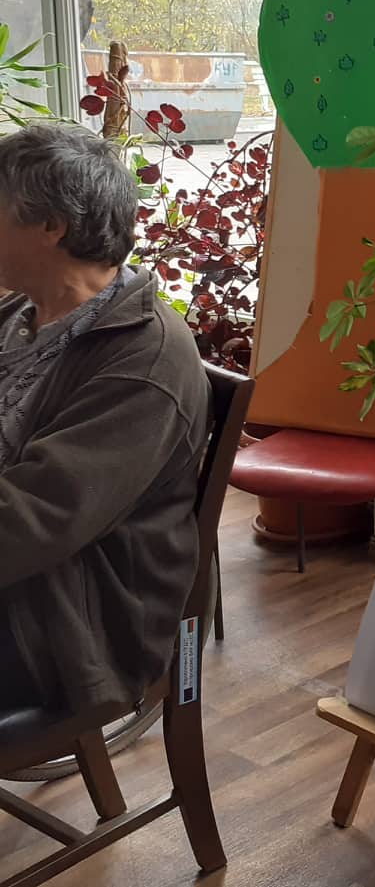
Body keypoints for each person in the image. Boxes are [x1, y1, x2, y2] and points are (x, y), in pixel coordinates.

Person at [0, 122, 210, 715]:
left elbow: (37, 517)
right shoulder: (20, 312)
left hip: (63, 621)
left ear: (51, 225)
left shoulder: (146, 359)